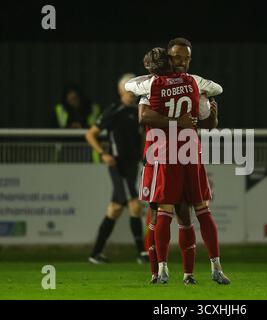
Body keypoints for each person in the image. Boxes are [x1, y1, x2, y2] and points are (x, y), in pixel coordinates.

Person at [126, 46, 229, 285]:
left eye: (186, 57)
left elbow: (133, 95)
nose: (182, 61)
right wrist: (206, 110)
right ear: (170, 60)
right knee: (198, 211)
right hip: (189, 151)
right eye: (177, 57)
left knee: (164, 212)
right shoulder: (194, 83)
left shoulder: (151, 86)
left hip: (162, 154)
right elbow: (207, 110)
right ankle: (209, 269)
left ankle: (162, 271)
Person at [85, 73, 148, 265]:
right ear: (121, 90)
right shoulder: (114, 110)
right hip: (118, 165)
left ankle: (95, 253)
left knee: (114, 209)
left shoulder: (140, 111)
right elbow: (90, 134)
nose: (132, 91)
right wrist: (103, 154)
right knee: (135, 205)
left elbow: (143, 136)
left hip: (131, 166)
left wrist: (144, 156)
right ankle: (142, 253)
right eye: (128, 87)